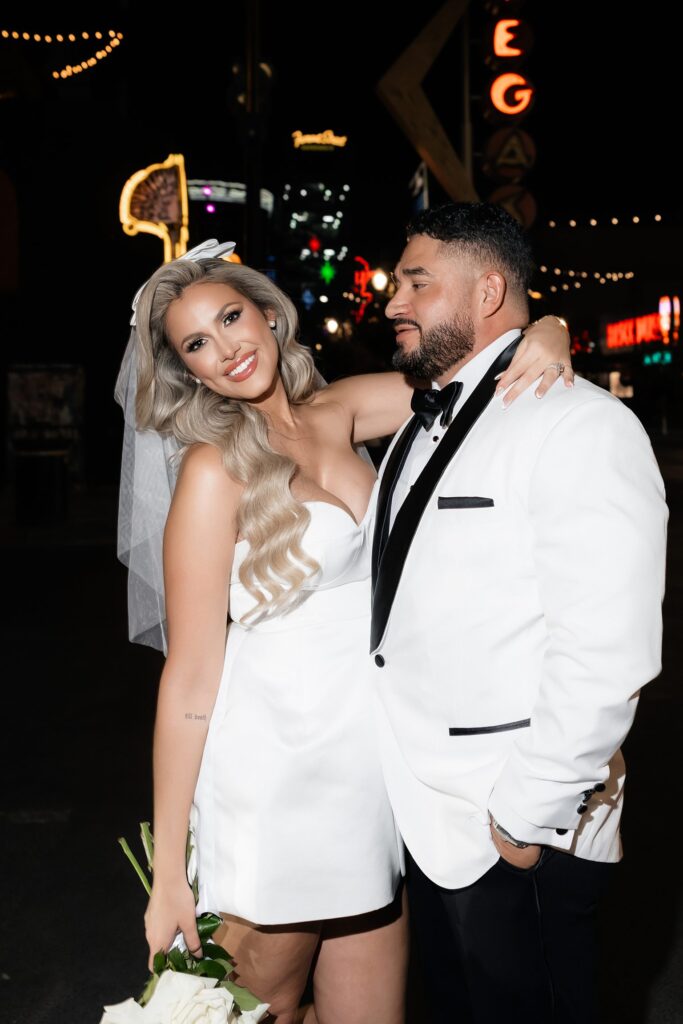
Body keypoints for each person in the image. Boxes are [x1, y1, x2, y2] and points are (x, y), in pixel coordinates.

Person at [116, 238, 574, 1024]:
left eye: (231, 318)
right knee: (261, 1012)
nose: (225, 349)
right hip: (275, 781)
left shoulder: (349, 405)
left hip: (369, 769)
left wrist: (550, 326)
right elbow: (190, 679)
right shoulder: (210, 471)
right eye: (197, 343)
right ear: (186, 369)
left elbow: (480, 374)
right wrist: (168, 874)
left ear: (266, 314)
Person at [369, 202, 668, 1024]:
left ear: (490, 289)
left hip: (517, 830)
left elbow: (607, 648)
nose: (392, 299)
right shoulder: (414, 422)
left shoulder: (581, 424)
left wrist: (526, 815)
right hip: (425, 821)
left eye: (416, 282)